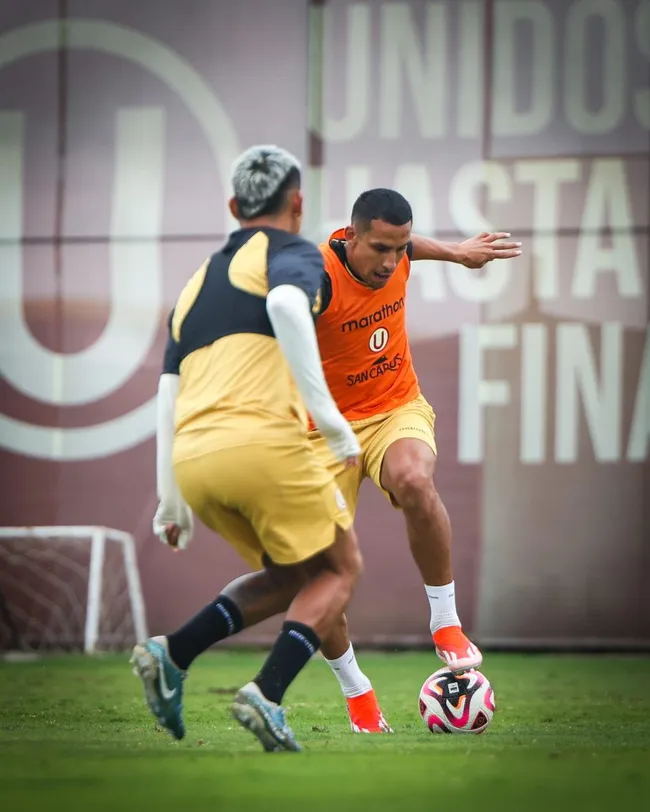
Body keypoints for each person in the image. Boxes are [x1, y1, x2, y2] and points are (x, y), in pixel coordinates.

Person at [132, 145, 363, 753]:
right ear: (298, 203)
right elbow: (287, 304)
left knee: (293, 575)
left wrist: (170, 500)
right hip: (262, 445)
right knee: (341, 569)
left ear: (234, 207)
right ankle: (266, 693)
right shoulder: (291, 251)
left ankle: (172, 651)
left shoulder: (192, 286)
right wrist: (333, 422)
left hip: (196, 460)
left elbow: (167, 391)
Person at [310, 188, 523, 733]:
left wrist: (455, 252)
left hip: (393, 407)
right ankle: (359, 695)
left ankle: (446, 622)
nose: (391, 261)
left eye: (399, 249)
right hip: (319, 431)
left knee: (413, 478)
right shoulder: (314, 276)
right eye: (380, 248)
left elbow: (410, 248)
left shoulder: (398, 253)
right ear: (350, 236)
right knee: (321, 575)